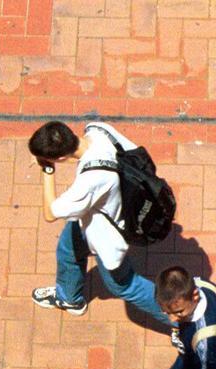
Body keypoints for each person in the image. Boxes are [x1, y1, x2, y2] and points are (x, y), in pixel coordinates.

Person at [27, 121, 169, 326]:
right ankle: (69, 298)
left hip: (107, 235)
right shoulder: (98, 130)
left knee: (124, 285)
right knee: (68, 249)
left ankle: (178, 319)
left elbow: (50, 213)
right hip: (96, 214)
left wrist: (47, 170)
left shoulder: (91, 180)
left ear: (59, 158)